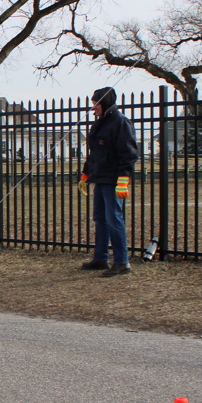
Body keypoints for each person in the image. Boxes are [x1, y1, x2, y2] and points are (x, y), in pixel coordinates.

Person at [78, 87, 138, 277]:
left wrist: (123, 180)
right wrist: (86, 175)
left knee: (114, 219)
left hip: (113, 180)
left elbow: (128, 155)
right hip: (100, 178)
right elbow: (94, 153)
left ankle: (122, 262)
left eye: (96, 103)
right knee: (100, 218)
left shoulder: (120, 122)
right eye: (93, 103)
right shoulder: (99, 123)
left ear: (105, 103)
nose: (93, 107)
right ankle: (101, 258)